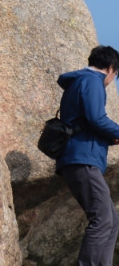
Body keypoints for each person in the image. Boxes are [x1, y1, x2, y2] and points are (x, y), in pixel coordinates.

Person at [56, 45, 119, 265]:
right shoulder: (93, 81)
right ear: (111, 68)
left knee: (112, 220)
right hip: (83, 160)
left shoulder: (79, 81)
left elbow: (85, 122)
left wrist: (110, 137)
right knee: (102, 219)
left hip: (81, 158)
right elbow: (96, 118)